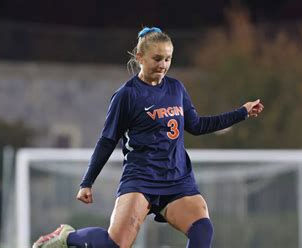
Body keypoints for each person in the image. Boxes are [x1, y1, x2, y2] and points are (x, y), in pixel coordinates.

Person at [33, 26, 264, 248]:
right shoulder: (127, 95)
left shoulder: (176, 89)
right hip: (141, 179)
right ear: (140, 56)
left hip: (177, 180)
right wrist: (87, 182)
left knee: (203, 229)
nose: (163, 65)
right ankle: (68, 237)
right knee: (115, 244)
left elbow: (198, 125)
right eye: (157, 58)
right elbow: (107, 140)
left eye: (168, 59)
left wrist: (241, 112)